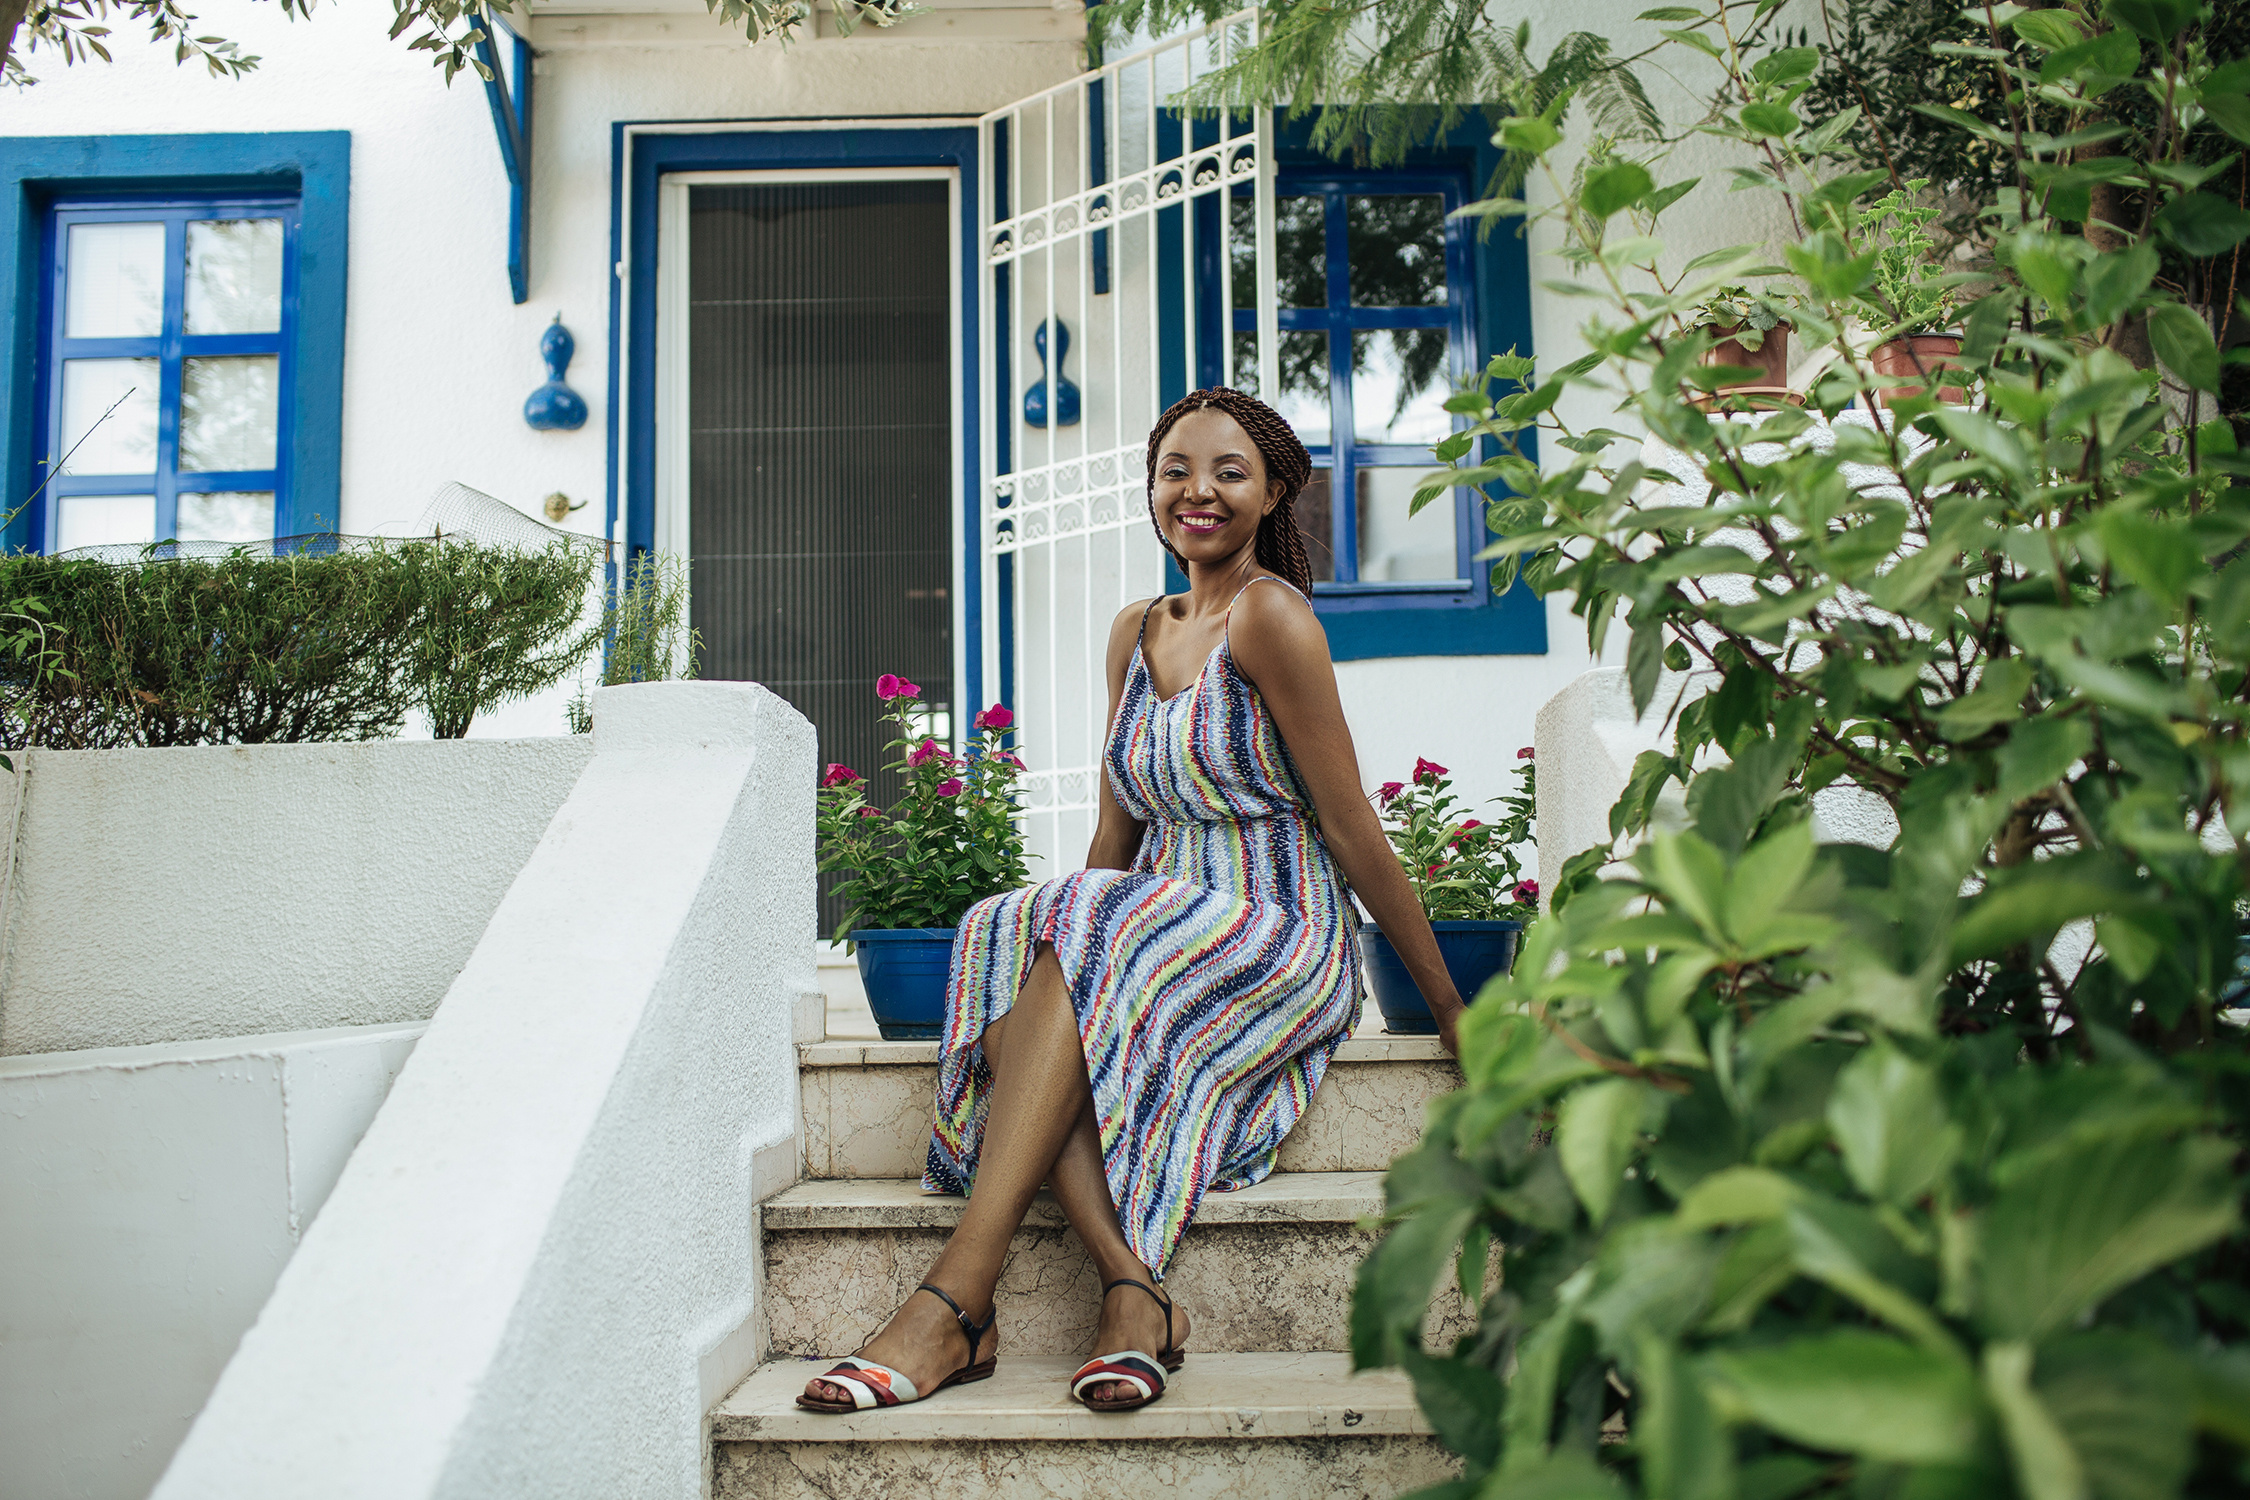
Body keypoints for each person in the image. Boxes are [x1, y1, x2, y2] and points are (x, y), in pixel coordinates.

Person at [798, 387, 1466, 1416]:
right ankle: (1132, 1290)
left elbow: (1351, 828)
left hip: (1275, 928)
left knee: (1095, 920)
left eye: (1230, 472)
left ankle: (955, 1300)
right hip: (1151, 925)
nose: (1198, 491)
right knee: (1014, 923)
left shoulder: (1273, 617)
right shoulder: (1133, 633)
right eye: (1174, 470)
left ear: (1275, 489)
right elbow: (1114, 841)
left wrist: (1452, 1008)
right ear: (1152, 487)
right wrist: (1064, 927)